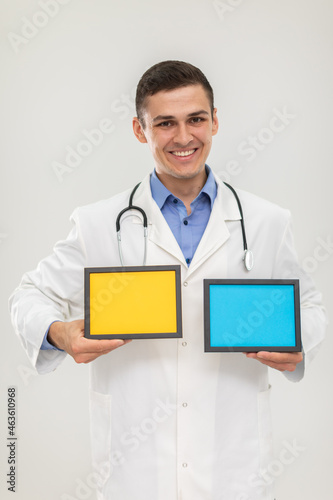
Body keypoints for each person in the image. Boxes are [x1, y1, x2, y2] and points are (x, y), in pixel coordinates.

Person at [9, 60, 326, 500]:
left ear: (215, 121)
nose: (183, 137)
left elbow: (310, 307)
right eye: (164, 123)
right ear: (141, 131)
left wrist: (296, 340)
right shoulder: (98, 222)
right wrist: (58, 332)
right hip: (135, 466)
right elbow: (29, 296)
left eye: (196, 119)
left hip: (233, 463)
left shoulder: (267, 221)